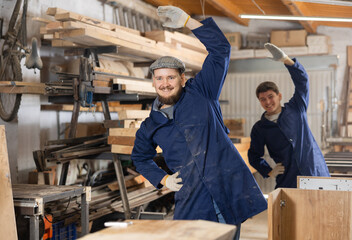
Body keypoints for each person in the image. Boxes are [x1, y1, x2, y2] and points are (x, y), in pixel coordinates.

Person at [131, 5, 267, 240]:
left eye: (171, 77)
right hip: (192, 200)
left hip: (227, 191)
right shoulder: (150, 126)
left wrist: (188, 21)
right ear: (153, 82)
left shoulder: (202, 92)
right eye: (159, 78)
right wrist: (163, 179)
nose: (165, 83)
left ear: (182, 78)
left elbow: (221, 49)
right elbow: (139, 158)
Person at [248, 43, 330, 188]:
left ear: (279, 96)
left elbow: (303, 82)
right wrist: (269, 171)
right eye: (263, 99)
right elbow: (253, 156)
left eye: (270, 96)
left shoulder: (296, 108)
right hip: (288, 178)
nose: (268, 102)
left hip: (314, 171)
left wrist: (287, 60)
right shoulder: (260, 128)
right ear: (259, 102)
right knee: (291, 210)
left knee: (320, 209)